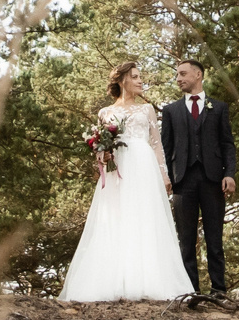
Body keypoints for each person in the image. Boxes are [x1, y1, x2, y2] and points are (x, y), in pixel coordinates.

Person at [58, 60, 196, 303]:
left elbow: (156, 144)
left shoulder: (147, 110)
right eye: (135, 76)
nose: (141, 80)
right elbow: (100, 147)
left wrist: (164, 174)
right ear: (123, 81)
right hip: (117, 170)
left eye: (140, 76)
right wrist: (102, 154)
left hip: (143, 167)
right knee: (115, 219)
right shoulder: (105, 113)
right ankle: (115, 280)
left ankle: (148, 280)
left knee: (144, 219)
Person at [160, 58, 236, 297]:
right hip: (183, 181)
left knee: (215, 237)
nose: (178, 79)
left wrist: (230, 174)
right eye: (177, 75)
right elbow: (165, 147)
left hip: (213, 180)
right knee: (186, 238)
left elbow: (227, 145)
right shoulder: (171, 110)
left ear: (198, 75)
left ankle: (218, 289)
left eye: (183, 74)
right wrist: (168, 177)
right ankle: (190, 290)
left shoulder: (219, 108)